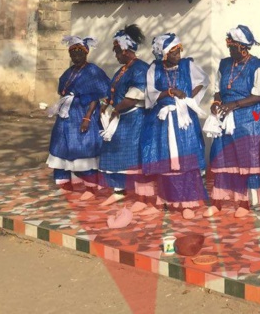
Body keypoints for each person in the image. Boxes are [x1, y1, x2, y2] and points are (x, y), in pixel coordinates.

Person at [206, 25, 260, 218]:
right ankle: (217, 202)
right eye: (229, 47)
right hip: (227, 116)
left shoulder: (257, 65)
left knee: (243, 162)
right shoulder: (225, 64)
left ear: (243, 48)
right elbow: (218, 88)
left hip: (248, 119)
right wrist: (217, 101)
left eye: (233, 47)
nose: (230, 50)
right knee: (222, 158)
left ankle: (243, 204)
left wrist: (234, 104)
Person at [140, 33, 209, 219]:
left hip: (183, 118)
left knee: (185, 158)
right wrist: (169, 92)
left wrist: (188, 97)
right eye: (173, 51)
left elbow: (203, 81)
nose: (178, 54)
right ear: (163, 54)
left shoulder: (188, 65)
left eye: (179, 50)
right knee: (166, 159)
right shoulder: (155, 68)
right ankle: (166, 199)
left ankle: (188, 202)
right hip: (162, 120)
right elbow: (151, 94)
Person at [46, 35, 110, 198]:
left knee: (83, 145)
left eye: (79, 53)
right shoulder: (69, 72)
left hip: (83, 114)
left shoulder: (93, 71)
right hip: (67, 114)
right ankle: (65, 181)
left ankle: (90, 186)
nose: (76, 57)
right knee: (61, 143)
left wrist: (88, 117)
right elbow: (63, 91)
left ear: (86, 53)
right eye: (73, 54)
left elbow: (97, 96)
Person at [98, 25, 150, 209]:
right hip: (120, 119)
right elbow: (112, 91)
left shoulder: (140, 68)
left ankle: (143, 198)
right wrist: (106, 104)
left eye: (117, 51)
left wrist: (115, 110)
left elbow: (135, 95)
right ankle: (118, 191)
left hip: (135, 120)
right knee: (115, 155)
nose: (116, 55)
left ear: (127, 51)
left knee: (135, 158)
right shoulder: (121, 70)